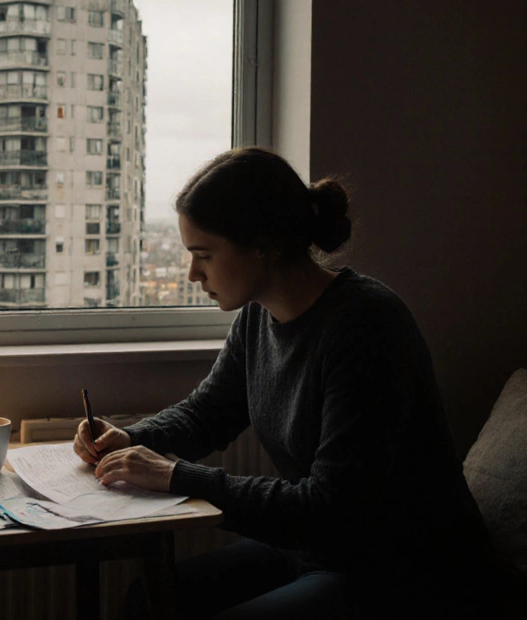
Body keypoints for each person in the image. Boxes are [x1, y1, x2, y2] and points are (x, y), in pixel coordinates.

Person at [73, 148, 498, 619]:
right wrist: (131, 439)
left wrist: (176, 476)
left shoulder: (367, 326)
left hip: (402, 570)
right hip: (317, 552)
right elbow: (206, 413)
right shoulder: (259, 317)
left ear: (264, 247)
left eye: (204, 256)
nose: (193, 274)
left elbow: (331, 509)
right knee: (148, 600)